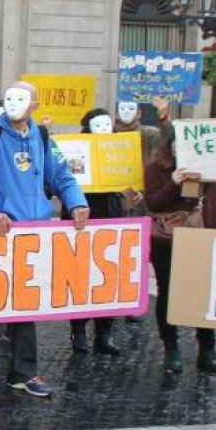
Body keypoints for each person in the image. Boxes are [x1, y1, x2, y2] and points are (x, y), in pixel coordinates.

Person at [0, 81, 91, 398]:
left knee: (26, 305)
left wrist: (77, 202)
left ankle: (24, 372)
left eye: (23, 98)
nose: (16, 103)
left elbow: (62, 176)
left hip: (35, 233)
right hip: (2, 233)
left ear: (34, 105)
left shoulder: (43, 138)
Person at [144, 123, 216, 376]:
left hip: (199, 237)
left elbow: (213, 205)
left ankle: (207, 349)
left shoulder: (206, 171)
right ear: (169, 145)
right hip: (167, 241)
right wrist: (173, 182)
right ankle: (171, 349)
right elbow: (153, 203)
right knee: (168, 293)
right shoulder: (156, 169)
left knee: (200, 293)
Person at [68, 108, 131, 356]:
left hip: (112, 221)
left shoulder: (119, 152)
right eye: (98, 125)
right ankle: (79, 330)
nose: (104, 130)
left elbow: (129, 183)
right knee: (81, 279)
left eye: (107, 125)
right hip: (82, 221)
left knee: (108, 279)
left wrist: (131, 193)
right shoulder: (76, 150)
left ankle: (104, 333)